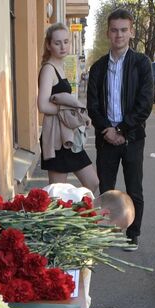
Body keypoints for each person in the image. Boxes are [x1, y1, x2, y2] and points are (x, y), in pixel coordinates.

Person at [87, 8, 153, 250]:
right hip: (106, 139)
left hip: (133, 137)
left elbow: (145, 103)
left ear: (131, 32)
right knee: (106, 189)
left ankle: (132, 234)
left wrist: (122, 130)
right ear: (108, 33)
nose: (119, 35)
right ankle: (105, 232)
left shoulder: (141, 64)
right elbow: (92, 105)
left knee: (134, 188)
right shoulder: (98, 68)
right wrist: (107, 130)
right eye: (114, 30)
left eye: (124, 30)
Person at [38, 24, 100, 192]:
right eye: (57, 43)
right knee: (58, 193)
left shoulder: (60, 66)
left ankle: (79, 215)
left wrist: (79, 116)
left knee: (92, 183)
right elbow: (42, 104)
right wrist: (66, 113)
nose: (63, 46)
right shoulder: (48, 70)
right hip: (56, 137)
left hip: (67, 134)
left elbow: (65, 103)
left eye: (66, 41)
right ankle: (67, 217)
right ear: (49, 45)